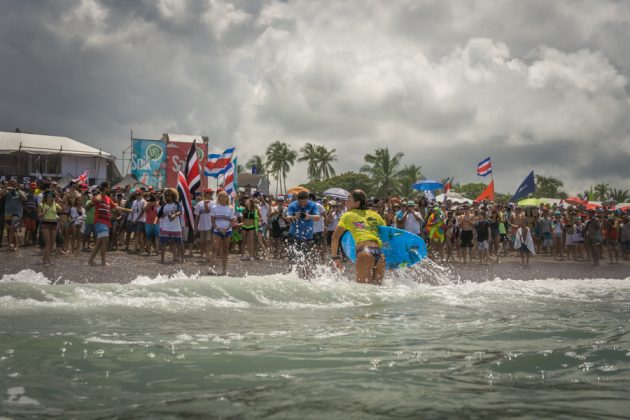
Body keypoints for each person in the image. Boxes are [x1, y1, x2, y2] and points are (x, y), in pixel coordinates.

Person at [331, 189, 386, 285]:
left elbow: (335, 237)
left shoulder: (348, 215)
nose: (345, 202)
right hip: (380, 254)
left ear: (357, 203)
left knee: (363, 290)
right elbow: (386, 233)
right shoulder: (375, 215)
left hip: (364, 253)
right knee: (378, 289)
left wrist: (335, 257)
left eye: (348, 200)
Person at [88, 182, 131, 266]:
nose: (109, 189)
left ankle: (91, 260)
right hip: (100, 222)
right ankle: (103, 261)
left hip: (106, 222)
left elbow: (116, 207)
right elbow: (95, 200)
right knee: (104, 241)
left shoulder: (108, 198)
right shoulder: (99, 196)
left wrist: (127, 210)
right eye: (108, 187)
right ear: (104, 188)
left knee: (99, 243)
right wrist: (98, 194)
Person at [286, 190, 321, 277]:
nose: (302, 204)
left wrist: (309, 216)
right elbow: (287, 218)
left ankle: (306, 276)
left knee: (306, 257)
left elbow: (318, 217)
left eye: (304, 202)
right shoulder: (293, 205)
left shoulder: (312, 205)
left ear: (307, 199)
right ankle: (291, 275)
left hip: (307, 236)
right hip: (294, 234)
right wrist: (294, 217)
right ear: (297, 200)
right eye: (300, 202)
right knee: (292, 257)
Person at [210, 191, 237, 275]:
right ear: (218, 197)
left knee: (225, 250)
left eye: (224, 196)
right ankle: (211, 269)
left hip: (227, 231)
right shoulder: (214, 207)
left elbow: (232, 221)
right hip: (217, 231)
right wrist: (217, 228)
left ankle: (224, 270)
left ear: (227, 198)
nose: (223, 198)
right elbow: (212, 220)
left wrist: (227, 228)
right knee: (215, 249)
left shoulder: (230, 208)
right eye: (221, 196)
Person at [157, 188, 184, 264]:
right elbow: (158, 215)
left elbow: (180, 211)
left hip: (176, 228)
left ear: (173, 195)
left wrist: (174, 215)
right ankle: (162, 259)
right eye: (166, 195)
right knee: (163, 243)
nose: (167, 197)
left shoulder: (177, 203)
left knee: (180, 243)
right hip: (165, 227)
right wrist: (164, 215)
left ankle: (182, 259)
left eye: (169, 195)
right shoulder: (164, 205)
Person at [38, 191, 63, 264]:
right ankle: (48, 259)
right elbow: (39, 215)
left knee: (52, 243)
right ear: (45, 197)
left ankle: (44, 258)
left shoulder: (55, 204)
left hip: (54, 224)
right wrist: (44, 212)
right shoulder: (41, 204)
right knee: (48, 242)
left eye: (52, 196)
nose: (51, 197)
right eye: (49, 196)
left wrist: (60, 201)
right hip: (45, 224)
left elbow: (62, 210)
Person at [194, 189, 214, 260]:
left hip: (210, 225)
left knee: (209, 241)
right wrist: (195, 227)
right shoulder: (199, 204)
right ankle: (203, 253)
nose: (211, 195)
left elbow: (208, 211)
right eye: (210, 193)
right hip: (202, 225)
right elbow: (197, 216)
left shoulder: (213, 203)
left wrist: (206, 204)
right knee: (202, 241)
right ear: (206, 194)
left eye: (212, 193)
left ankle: (207, 255)